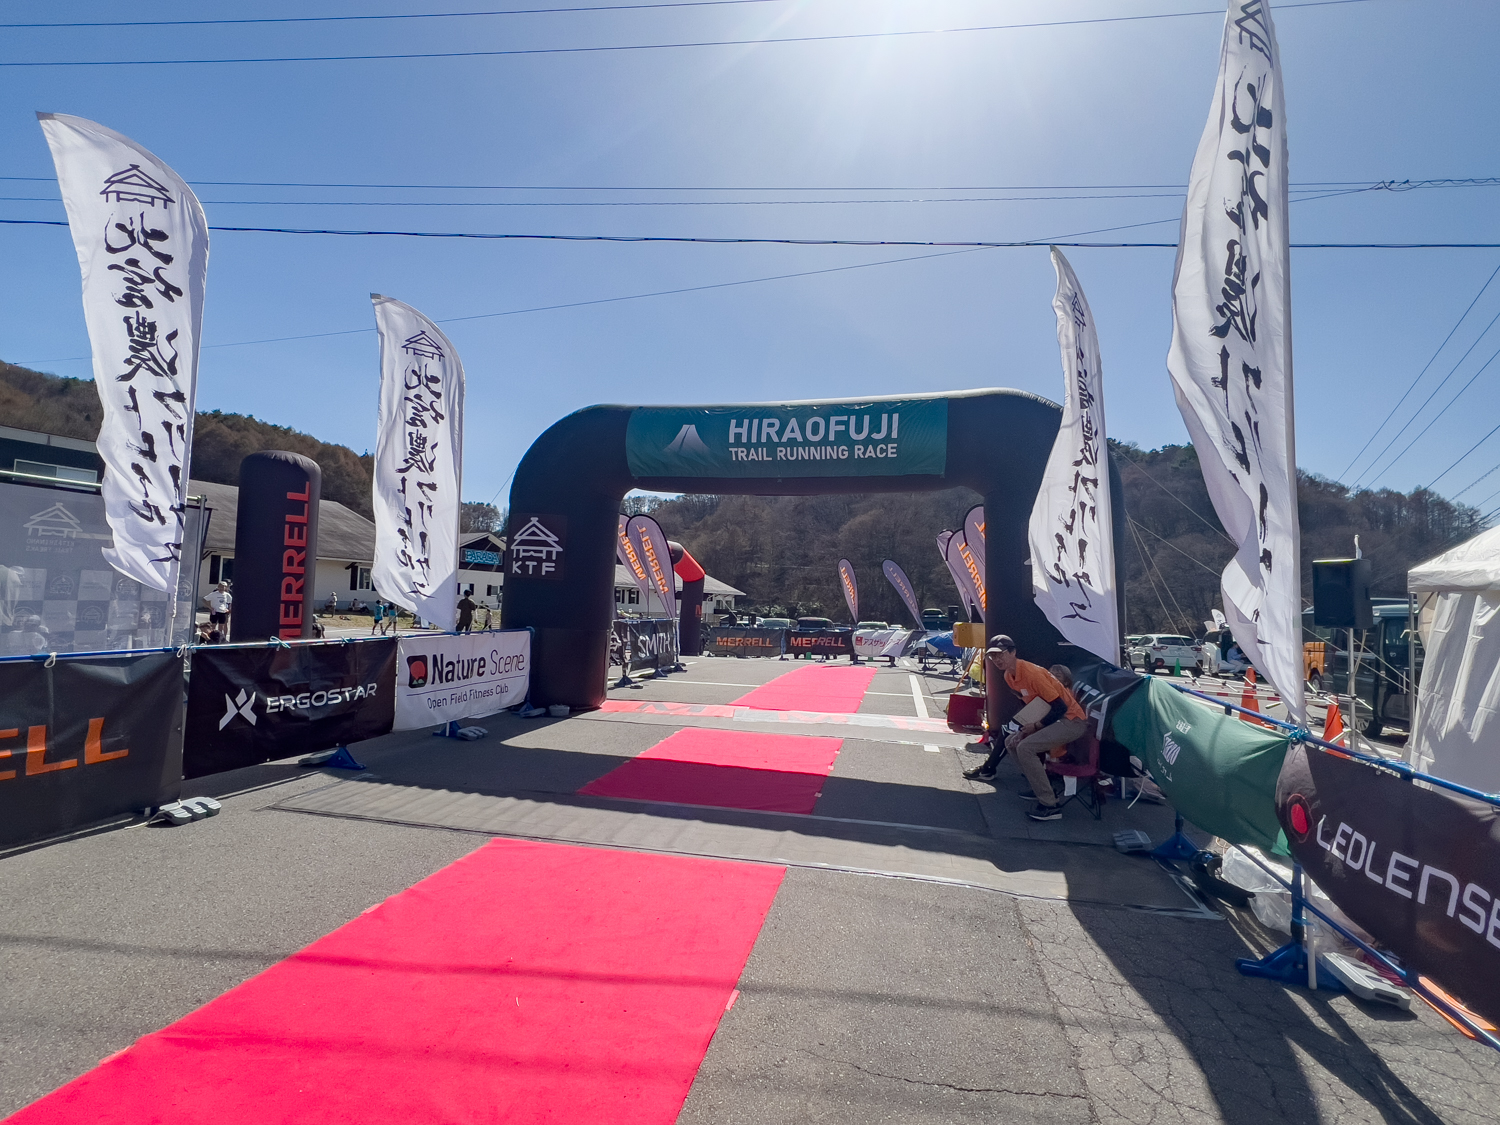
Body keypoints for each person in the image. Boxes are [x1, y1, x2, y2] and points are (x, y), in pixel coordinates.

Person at [963, 636, 1089, 821]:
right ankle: (1043, 787)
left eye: (1001, 654)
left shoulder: (1032, 673)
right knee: (1011, 742)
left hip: (1072, 721)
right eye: (993, 656)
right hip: (1053, 719)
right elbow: (1032, 706)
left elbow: (1060, 708)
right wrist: (1022, 729)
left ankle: (1050, 805)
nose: (997, 660)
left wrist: (1036, 726)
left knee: (1025, 747)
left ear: (1013, 652)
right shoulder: (1009, 676)